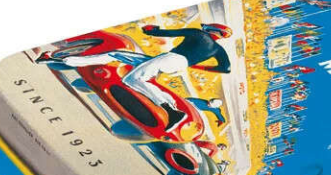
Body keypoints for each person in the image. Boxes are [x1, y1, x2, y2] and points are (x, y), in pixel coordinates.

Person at [36, 23, 232, 131]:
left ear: (213, 31)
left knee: (131, 80)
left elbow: (166, 32)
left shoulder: (198, 34)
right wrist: (197, 65)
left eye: (208, 27)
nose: (205, 28)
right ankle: (57, 59)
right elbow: (226, 68)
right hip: (176, 63)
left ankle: (171, 111)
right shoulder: (218, 50)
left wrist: (151, 31)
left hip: (171, 59)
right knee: (115, 55)